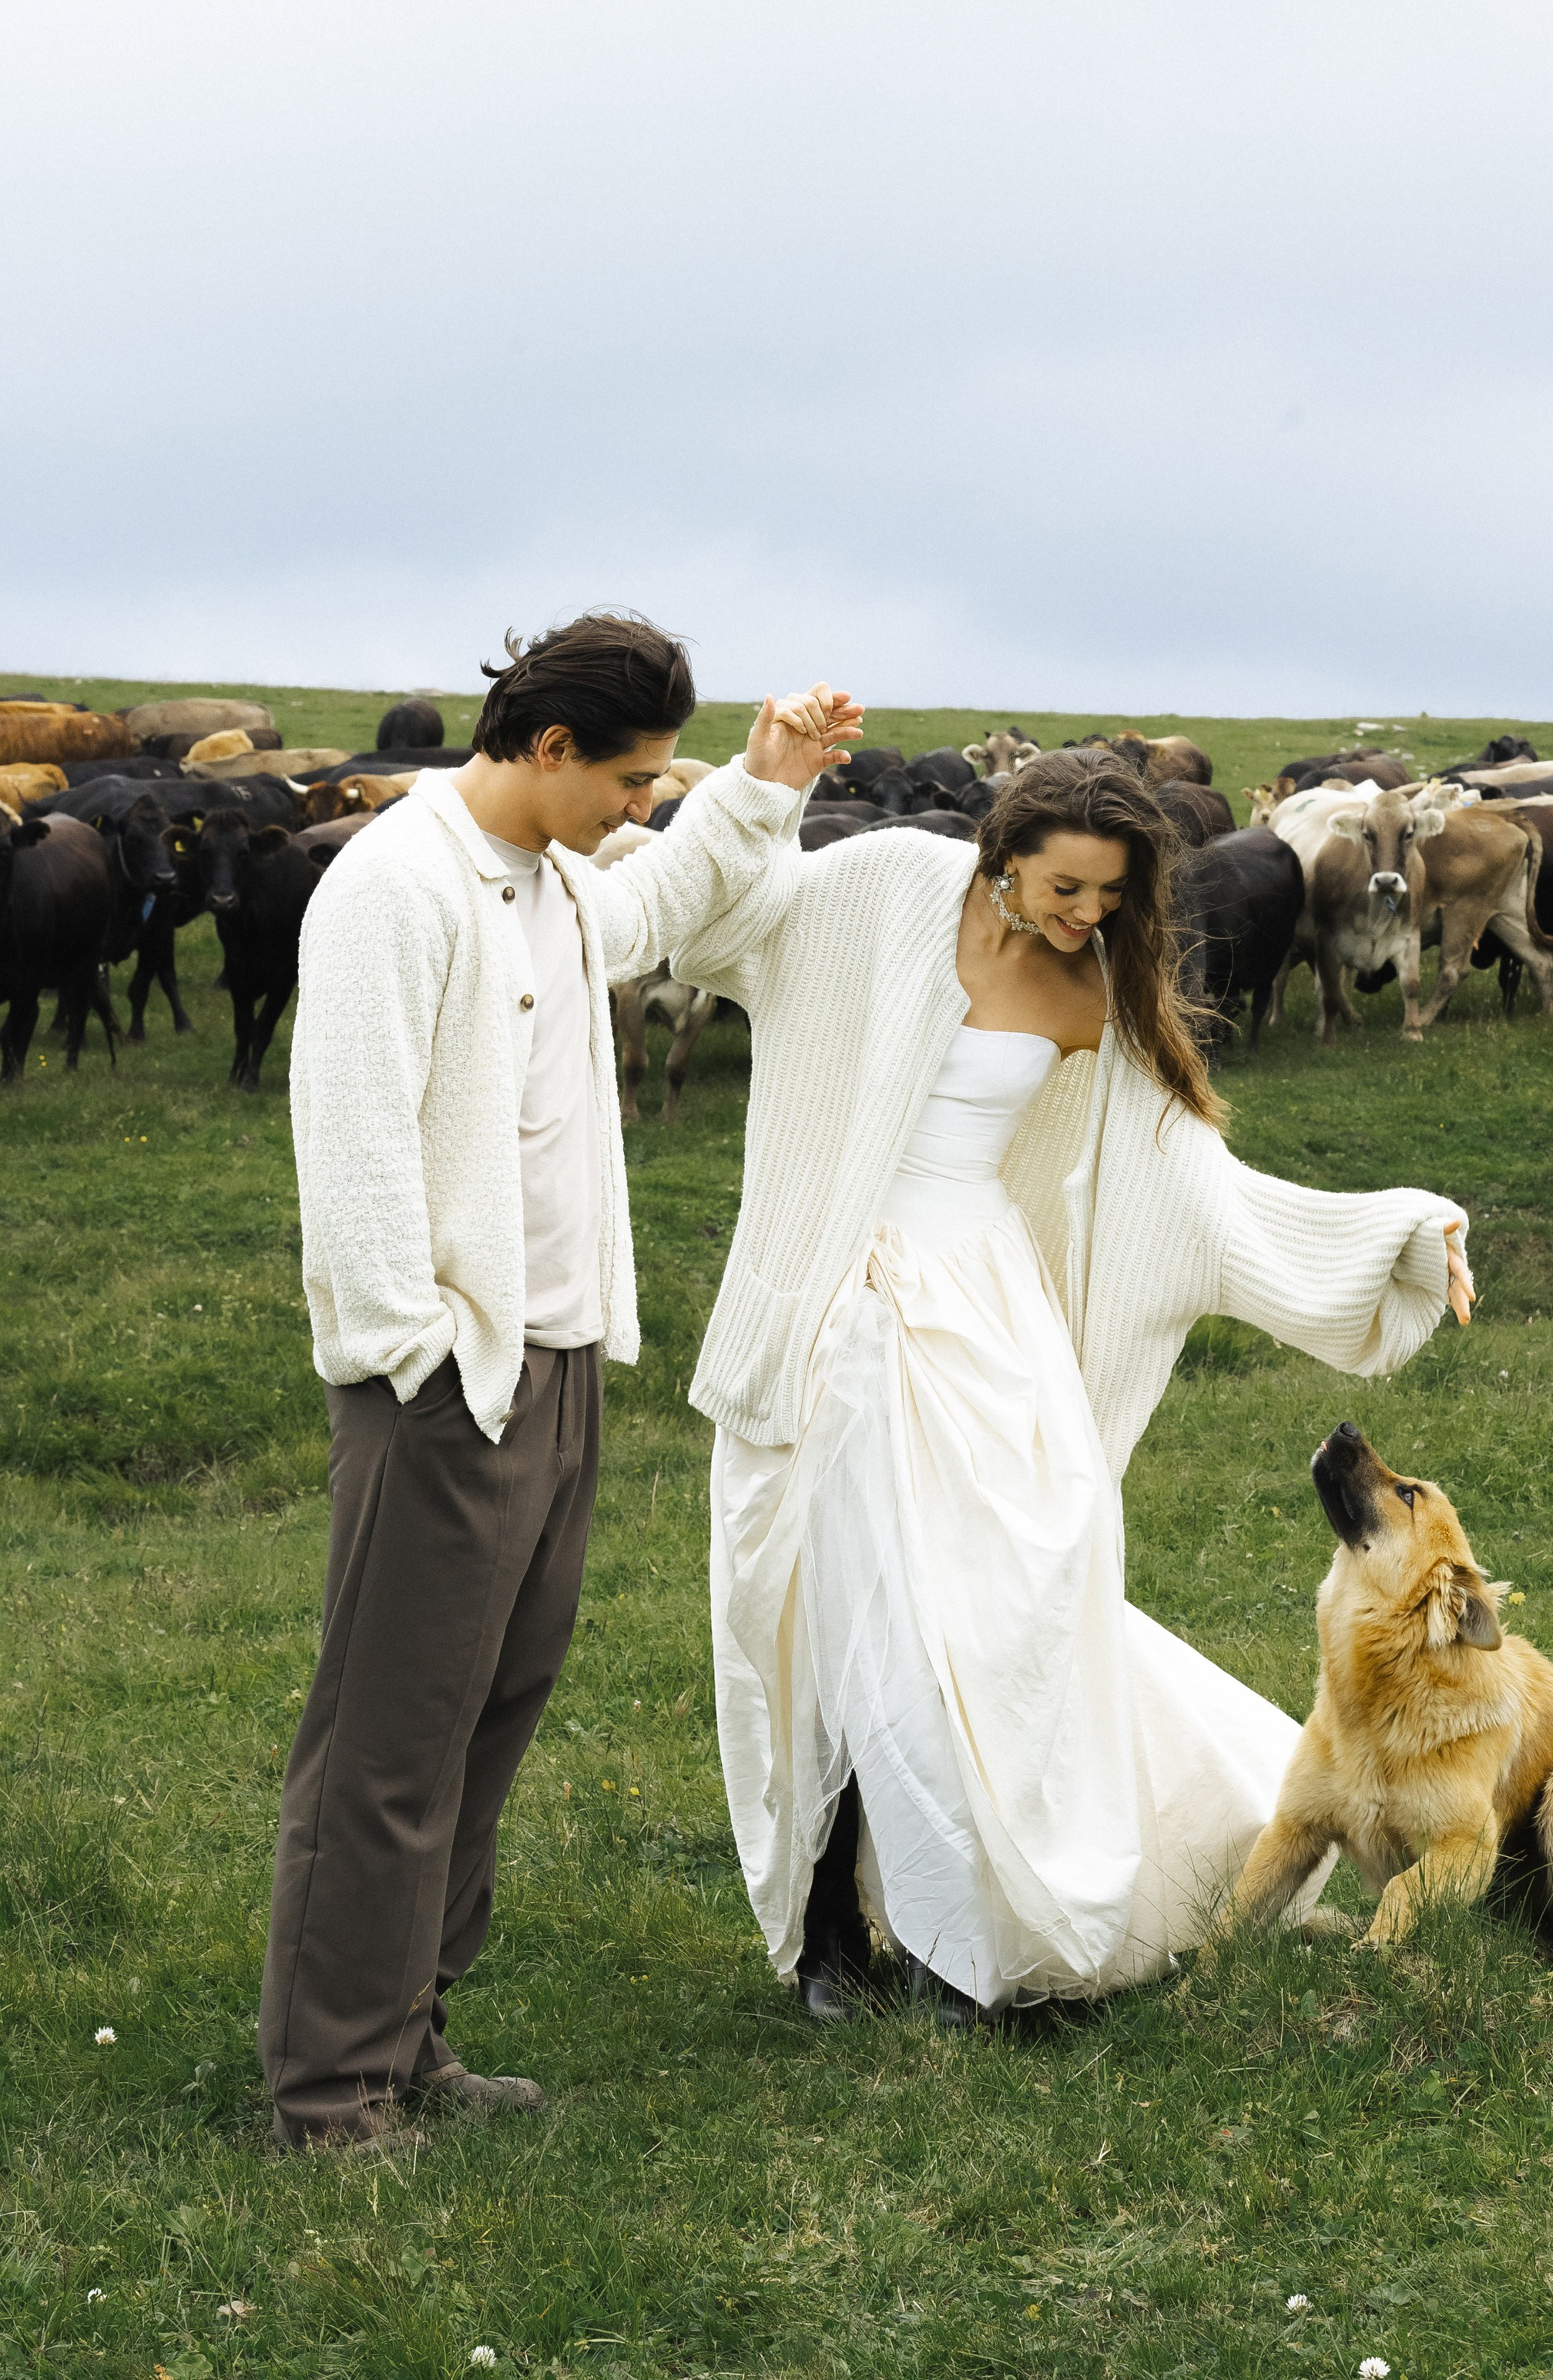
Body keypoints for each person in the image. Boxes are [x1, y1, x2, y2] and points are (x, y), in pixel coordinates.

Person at [673, 748, 1474, 2024]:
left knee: (1000, 1624)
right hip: (836, 1315)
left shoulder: (1100, 986)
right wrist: (762, 787)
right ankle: (837, 1941)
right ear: (1002, 849)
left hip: (984, 1315)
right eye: (1065, 886)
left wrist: (1397, 1238)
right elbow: (724, 932)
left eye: (1111, 895)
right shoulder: (888, 884)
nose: (1086, 914)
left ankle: (970, 1937)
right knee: (843, 1627)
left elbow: (1192, 1182)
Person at [259, 611, 860, 2148]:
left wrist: (767, 780)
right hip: (448, 1380)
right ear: (546, 749)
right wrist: (417, 1353)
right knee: (391, 1738)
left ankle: (411, 2038)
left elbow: (651, 903)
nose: (644, 801)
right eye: (636, 776)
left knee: (488, 1713)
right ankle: (331, 2088)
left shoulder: (551, 880)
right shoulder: (393, 889)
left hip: (559, 1360)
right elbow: (354, 1137)